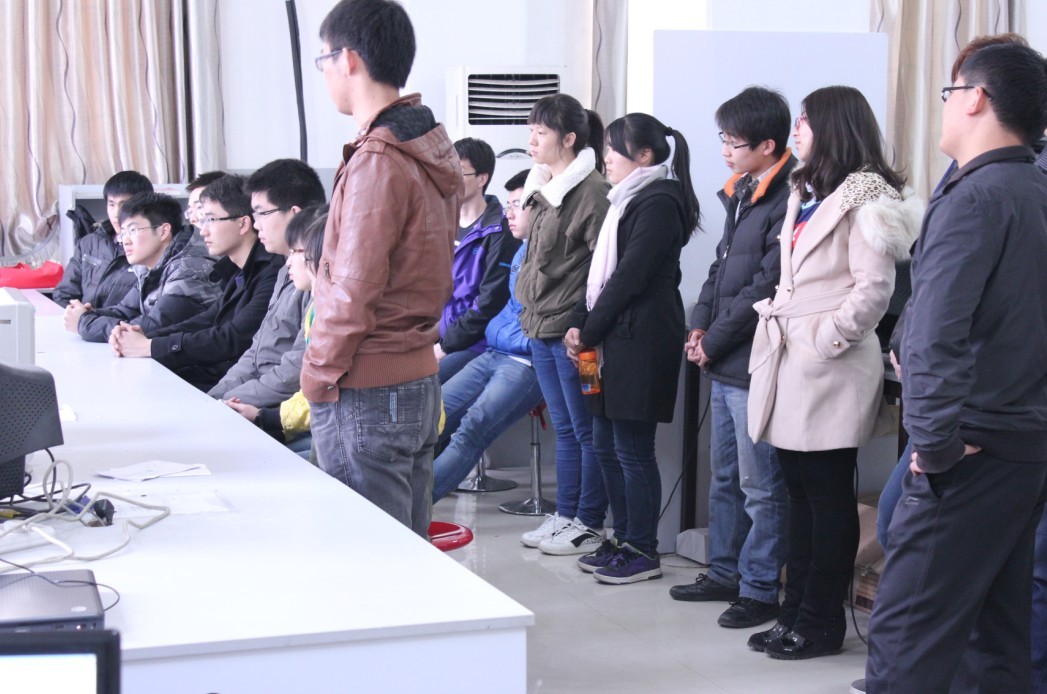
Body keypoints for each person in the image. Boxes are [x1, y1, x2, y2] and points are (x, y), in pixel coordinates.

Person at [865, 44, 1047, 691]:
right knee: (995, 641)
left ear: (975, 98)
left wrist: (936, 447)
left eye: (950, 92)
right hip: (1021, 445)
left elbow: (935, 337)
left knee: (906, 644)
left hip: (969, 449)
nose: (944, 106)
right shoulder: (1033, 188)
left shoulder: (973, 198)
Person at [745, 86, 922, 660]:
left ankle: (821, 623)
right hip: (792, 355)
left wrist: (828, 338)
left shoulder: (867, 195)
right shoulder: (809, 191)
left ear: (833, 126)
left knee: (826, 496)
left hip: (830, 362)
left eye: (805, 120)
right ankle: (794, 612)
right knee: (797, 492)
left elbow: (874, 288)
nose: (796, 130)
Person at [304, 0, 460, 538]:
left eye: (323, 60)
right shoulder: (427, 146)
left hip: (366, 385)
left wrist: (317, 373)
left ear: (347, 59)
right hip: (416, 375)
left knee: (369, 559)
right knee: (406, 551)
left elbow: (353, 288)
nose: (324, 72)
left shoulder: (378, 157)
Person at [669, 87, 795, 623]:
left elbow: (767, 284)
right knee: (724, 477)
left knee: (760, 486)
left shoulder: (788, 196)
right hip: (722, 358)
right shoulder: (743, 190)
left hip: (754, 361)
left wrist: (713, 339)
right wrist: (698, 325)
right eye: (722, 138)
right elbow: (721, 269)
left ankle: (760, 589)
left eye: (733, 141)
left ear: (768, 145)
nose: (724, 150)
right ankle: (724, 573)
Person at [562, 112, 699, 583]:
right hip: (606, 341)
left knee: (632, 450)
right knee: (604, 444)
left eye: (613, 150)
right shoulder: (623, 199)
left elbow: (629, 277)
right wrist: (579, 323)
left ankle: (642, 548)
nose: (606, 159)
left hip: (639, 341)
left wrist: (588, 330)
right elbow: (597, 278)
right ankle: (620, 539)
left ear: (644, 154)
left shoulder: (659, 200)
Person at [515, 93, 611, 555]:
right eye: (531, 131)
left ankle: (589, 521)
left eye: (541, 132)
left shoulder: (591, 192)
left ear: (569, 138)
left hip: (577, 337)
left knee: (588, 428)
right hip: (540, 330)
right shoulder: (542, 186)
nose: (532, 141)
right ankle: (566, 515)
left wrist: (584, 326)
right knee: (567, 429)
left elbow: (603, 269)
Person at [109, 175, 283, 392]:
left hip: (238, 387)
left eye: (211, 220)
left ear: (242, 224)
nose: (203, 230)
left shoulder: (272, 272)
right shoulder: (236, 270)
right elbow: (209, 318)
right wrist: (144, 335)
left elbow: (233, 338)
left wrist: (149, 346)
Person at [432, 169, 544, 501]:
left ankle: (411, 508)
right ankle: (399, 503)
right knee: (430, 417)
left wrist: (445, 344)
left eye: (517, 205)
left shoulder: (553, 253)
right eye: (508, 205)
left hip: (524, 361)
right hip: (494, 351)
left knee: (472, 428)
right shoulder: (522, 251)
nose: (509, 213)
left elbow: (488, 305)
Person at [209, 159, 326, 406]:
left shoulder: (316, 280)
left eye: (262, 213)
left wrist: (226, 402)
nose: (255, 223)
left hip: (278, 409)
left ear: (295, 214)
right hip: (252, 397)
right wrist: (214, 397)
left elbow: (294, 371)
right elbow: (255, 353)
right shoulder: (285, 270)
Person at [227, 206, 328, 460]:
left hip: (321, 422)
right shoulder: (312, 302)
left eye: (296, 251)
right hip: (299, 414)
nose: (289, 260)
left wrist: (265, 417)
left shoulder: (333, 312)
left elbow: (316, 386)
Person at [68, 192, 219, 341]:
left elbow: (148, 329)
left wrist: (83, 323)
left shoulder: (189, 269)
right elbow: (127, 310)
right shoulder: (149, 264)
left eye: (133, 230)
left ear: (163, 231)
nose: (125, 241)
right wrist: (90, 313)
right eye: (123, 233)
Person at [435, 138, 520, 383]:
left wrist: (443, 347)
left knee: (424, 384)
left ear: (482, 179)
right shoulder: (442, 222)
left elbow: (489, 303)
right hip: (438, 333)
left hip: (475, 342)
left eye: (459, 171)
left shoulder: (500, 231)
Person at [53, 170, 153, 309]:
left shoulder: (151, 249)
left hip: (121, 322)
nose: (116, 213)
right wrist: (77, 315)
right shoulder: (89, 243)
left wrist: (89, 318)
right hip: (81, 320)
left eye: (124, 205)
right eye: (111, 204)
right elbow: (64, 294)